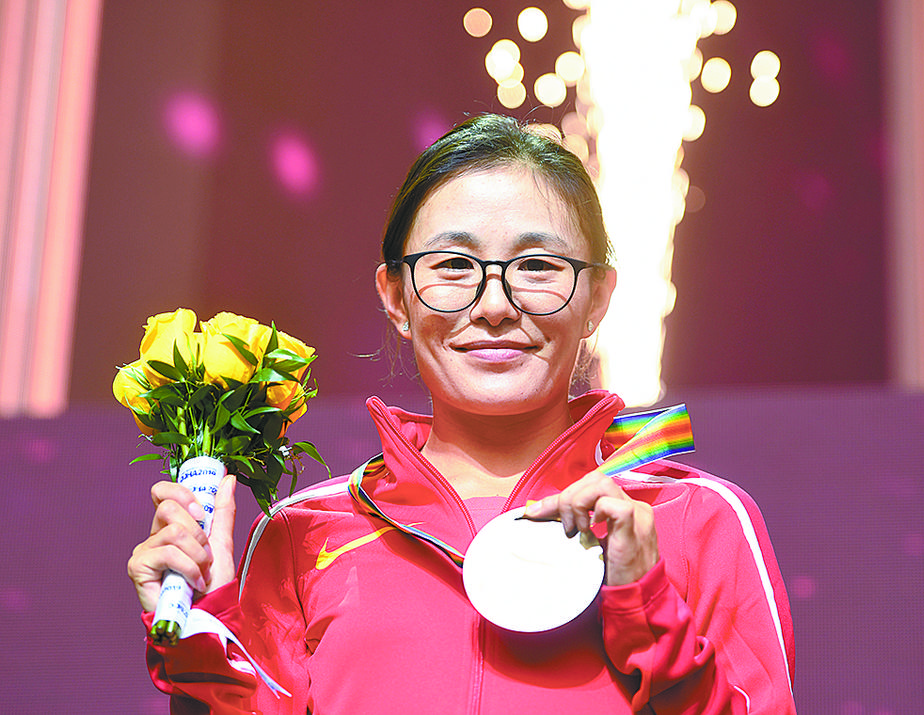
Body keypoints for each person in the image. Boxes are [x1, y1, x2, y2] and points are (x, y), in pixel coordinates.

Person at [128, 113, 796, 714]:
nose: (495, 305)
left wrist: (647, 606)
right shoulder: (302, 534)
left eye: (537, 265)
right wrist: (203, 641)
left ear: (597, 298)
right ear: (396, 297)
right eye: (453, 264)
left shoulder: (697, 519)